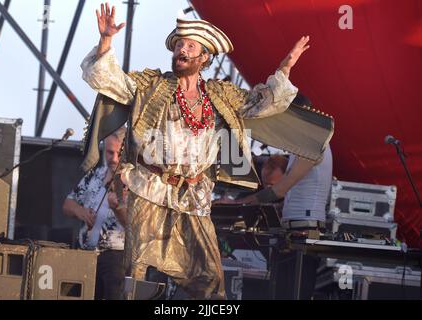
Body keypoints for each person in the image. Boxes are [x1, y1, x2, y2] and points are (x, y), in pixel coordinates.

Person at [80, 3, 311, 299]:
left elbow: (261, 103)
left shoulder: (219, 96)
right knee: (138, 277)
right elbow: (109, 80)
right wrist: (106, 41)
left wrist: (285, 67)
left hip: (194, 198)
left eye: (190, 45)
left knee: (211, 283)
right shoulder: (152, 85)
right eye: (179, 45)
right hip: (151, 189)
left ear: (204, 57)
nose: (182, 50)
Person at [63, 128, 128, 300]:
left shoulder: (134, 181)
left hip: (115, 256)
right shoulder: (95, 175)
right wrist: (80, 212)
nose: (113, 159)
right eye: (109, 152)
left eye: (118, 153)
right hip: (85, 253)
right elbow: (68, 203)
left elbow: (133, 225)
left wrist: (117, 208)